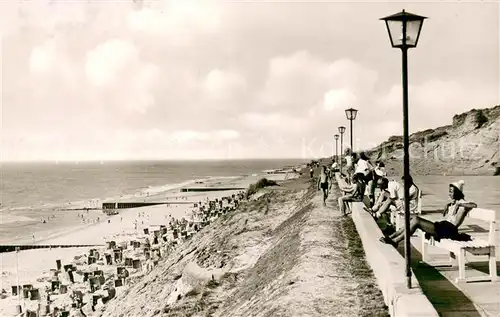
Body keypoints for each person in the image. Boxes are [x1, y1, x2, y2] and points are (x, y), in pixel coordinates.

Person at [380, 180, 476, 247]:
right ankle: (392, 237)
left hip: (449, 229)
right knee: (414, 220)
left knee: (416, 220)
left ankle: (395, 240)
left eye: (451, 192)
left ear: (457, 192)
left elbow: (474, 205)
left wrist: (460, 205)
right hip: (444, 227)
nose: (449, 194)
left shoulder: (462, 203)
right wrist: (449, 204)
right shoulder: (454, 202)